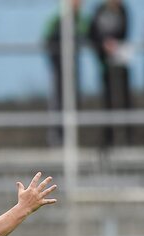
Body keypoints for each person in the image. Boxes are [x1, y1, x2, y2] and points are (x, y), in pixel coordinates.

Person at [88, 0, 132, 147]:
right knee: (107, 99)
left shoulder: (123, 11)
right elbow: (92, 34)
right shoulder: (98, 11)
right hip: (104, 63)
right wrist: (103, 46)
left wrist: (115, 45)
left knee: (124, 98)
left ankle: (125, 136)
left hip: (120, 62)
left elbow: (125, 32)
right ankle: (109, 138)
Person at [43, 0, 87, 138]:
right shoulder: (58, 17)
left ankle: (71, 136)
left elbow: (85, 36)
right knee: (58, 99)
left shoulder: (81, 19)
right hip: (59, 64)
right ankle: (56, 136)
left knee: (74, 98)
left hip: (73, 64)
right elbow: (48, 40)